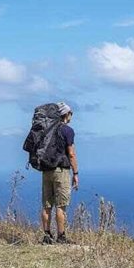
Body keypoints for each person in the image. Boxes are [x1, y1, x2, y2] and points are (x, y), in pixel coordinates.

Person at [41, 102, 79, 244]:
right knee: (61, 206)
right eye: (71, 113)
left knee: (47, 205)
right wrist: (75, 173)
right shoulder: (68, 131)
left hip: (46, 170)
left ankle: (46, 236)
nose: (71, 116)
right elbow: (71, 154)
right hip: (61, 170)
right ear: (66, 114)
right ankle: (61, 237)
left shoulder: (46, 129)